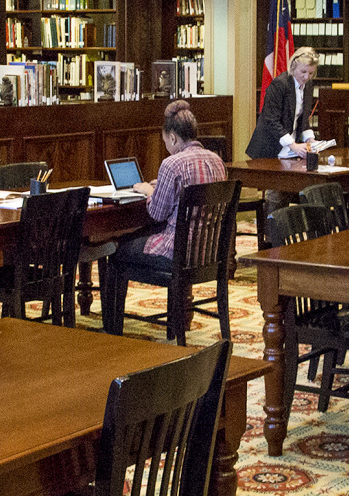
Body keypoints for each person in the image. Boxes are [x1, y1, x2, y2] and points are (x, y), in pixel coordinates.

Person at [103, 99, 227, 313]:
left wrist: (150, 191)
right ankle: (174, 324)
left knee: (116, 250)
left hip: (176, 251)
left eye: (166, 142)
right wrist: (162, 186)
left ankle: (112, 328)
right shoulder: (217, 161)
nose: (167, 147)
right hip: (209, 252)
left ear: (172, 137)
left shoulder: (172, 164)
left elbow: (157, 214)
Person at [246, 47, 318, 212]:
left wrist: (310, 139)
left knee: (288, 189)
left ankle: (287, 230)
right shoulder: (280, 84)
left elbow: (303, 118)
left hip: (289, 146)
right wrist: (293, 145)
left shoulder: (308, 85)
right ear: (293, 67)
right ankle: (272, 235)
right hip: (271, 145)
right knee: (276, 191)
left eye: (311, 73)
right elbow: (270, 119)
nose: (306, 77)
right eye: (303, 72)